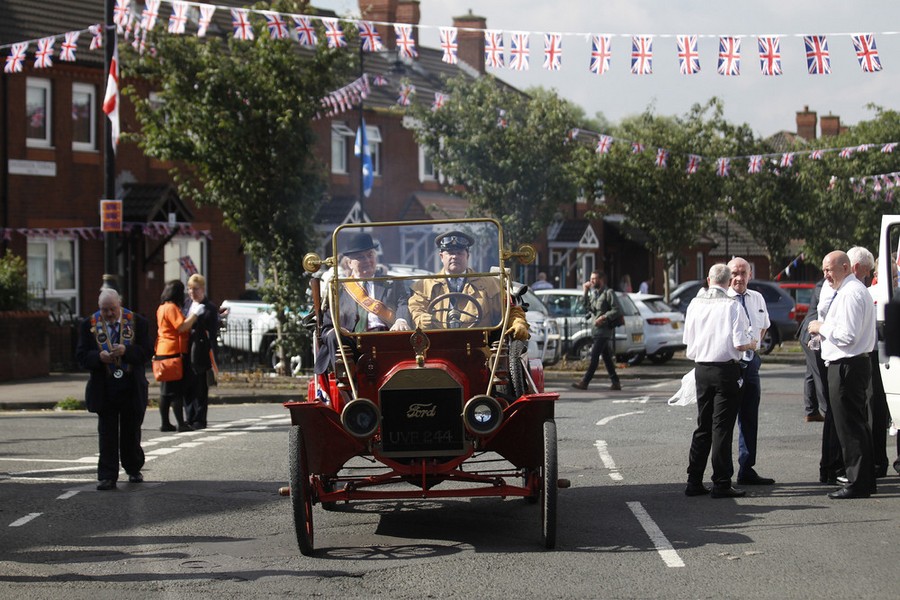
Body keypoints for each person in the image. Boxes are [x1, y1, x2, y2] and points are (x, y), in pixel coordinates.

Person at [808, 251, 877, 499]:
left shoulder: (850, 293)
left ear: (846, 267)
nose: (826, 275)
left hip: (847, 365)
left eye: (830, 269)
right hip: (851, 364)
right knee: (856, 423)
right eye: (824, 270)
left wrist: (820, 327)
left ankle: (858, 481)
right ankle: (864, 480)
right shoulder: (850, 290)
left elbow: (847, 336)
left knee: (849, 426)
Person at [683, 264, 754, 498]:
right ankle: (721, 482)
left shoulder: (695, 304)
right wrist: (753, 342)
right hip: (726, 370)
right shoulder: (732, 306)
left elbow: (688, 340)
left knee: (703, 425)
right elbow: (740, 343)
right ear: (727, 282)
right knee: (721, 427)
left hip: (701, 368)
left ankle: (694, 480)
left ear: (708, 279)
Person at [75, 288, 152, 491]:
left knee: (131, 432)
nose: (108, 314)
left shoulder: (138, 322)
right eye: (104, 310)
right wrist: (98, 357)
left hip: (130, 385)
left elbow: (147, 353)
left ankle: (134, 468)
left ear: (120, 305)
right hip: (104, 386)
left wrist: (127, 351)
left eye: (112, 309)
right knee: (107, 434)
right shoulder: (89, 325)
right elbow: (81, 356)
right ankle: (107, 476)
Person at [314, 232, 412, 375]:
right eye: (360, 257)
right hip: (353, 342)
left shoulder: (393, 283)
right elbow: (327, 327)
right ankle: (347, 385)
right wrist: (339, 331)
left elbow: (404, 303)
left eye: (370, 255)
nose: (367, 260)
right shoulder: (339, 288)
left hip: (388, 336)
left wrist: (401, 320)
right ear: (349, 263)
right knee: (333, 335)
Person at [406, 231, 529, 340]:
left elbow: (510, 309)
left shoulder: (490, 284)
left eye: (459, 253)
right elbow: (416, 308)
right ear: (441, 256)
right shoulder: (423, 286)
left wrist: (518, 323)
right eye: (450, 253)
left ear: (467, 256)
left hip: (480, 350)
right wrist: (421, 319)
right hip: (437, 348)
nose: (454, 256)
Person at [726, 257, 776, 486]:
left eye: (743, 273)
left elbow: (764, 324)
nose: (739, 278)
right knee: (725, 420)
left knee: (749, 418)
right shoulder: (723, 300)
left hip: (751, 364)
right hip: (730, 365)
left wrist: (753, 350)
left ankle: (746, 469)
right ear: (728, 276)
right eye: (734, 273)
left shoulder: (757, 297)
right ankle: (722, 473)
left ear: (750, 274)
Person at [156, 279, 205, 432]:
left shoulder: (161, 307)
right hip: (174, 352)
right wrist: (195, 315)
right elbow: (182, 327)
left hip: (162, 351)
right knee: (176, 390)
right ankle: (181, 424)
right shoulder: (171, 308)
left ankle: (165, 423)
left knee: (165, 391)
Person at [571, 270, 622, 391]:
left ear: (601, 280)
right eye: (591, 278)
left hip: (604, 331)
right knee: (607, 358)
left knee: (594, 356)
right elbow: (587, 307)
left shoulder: (608, 293)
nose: (592, 281)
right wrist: (585, 291)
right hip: (596, 330)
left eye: (594, 279)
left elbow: (617, 310)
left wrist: (604, 317)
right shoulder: (595, 294)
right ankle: (616, 382)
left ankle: (585, 382)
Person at [183, 274, 218, 430]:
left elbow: (212, 331)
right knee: (187, 386)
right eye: (189, 288)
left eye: (195, 289)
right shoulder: (187, 304)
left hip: (201, 352)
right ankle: (189, 417)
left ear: (202, 289)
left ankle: (199, 419)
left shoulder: (209, 307)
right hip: (186, 350)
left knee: (200, 388)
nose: (192, 292)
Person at [798, 279, 828, 422]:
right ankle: (827, 410)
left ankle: (811, 410)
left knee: (811, 372)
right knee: (819, 372)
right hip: (811, 333)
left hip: (810, 332)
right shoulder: (823, 285)